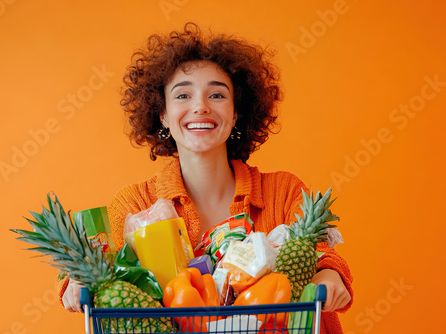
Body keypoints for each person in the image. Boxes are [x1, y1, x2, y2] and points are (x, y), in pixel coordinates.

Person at [60, 23, 353, 333]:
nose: (200, 107)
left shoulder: (282, 191)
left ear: (236, 112)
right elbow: (108, 271)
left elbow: (322, 254)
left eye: (216, 94)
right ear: (163, 114)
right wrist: (77, 280)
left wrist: (329, 276)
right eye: (183, 95)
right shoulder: (135, 204)